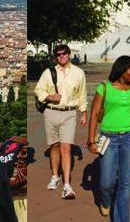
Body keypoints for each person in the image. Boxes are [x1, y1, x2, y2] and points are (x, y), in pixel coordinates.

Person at [87, 55, 130, 221]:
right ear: (122, 69)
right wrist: (91, 141)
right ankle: (105, 201)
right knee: (107, 183)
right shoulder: (104, 88)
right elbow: (95, 114)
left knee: (125, 183)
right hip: (109, 139)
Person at [34, 44, 87, 199]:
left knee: (66, 148)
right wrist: (50, 97)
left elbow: (82, 94)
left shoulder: (78, 73)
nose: (61, 56)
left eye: (64, 53)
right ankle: (55, 176)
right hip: (51, 112)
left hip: (69, 113)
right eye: (58, 54)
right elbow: (38, 90)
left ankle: (67, 185)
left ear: (69, 54)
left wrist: (84, 113)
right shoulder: (48, 73)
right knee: (54, 146)